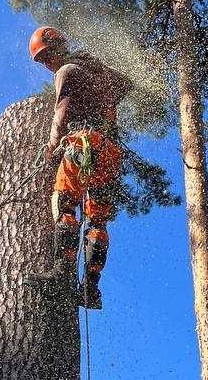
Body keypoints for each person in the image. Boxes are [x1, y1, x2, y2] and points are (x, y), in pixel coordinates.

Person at [27, 25, 131, 310]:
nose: (47, 64)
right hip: (109, 152)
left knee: (64, 203)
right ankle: (91, 289)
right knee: (97, 221)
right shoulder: (99, 73)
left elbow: (61, 113)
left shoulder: (67, 71)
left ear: (58, 46)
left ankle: (60, 274)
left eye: (47, 56)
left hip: (83, 142)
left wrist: (51, 147)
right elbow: (124, 85)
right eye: (42, 61)